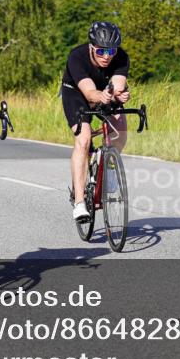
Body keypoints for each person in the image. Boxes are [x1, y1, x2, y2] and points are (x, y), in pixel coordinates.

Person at [60, 21, 131, 222]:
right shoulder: (77, 56)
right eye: (101, 51)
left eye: (111, 51)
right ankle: (80, 202)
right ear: (91, 47)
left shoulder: (121, 57)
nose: (107, 56)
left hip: (104, 92)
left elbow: (117, 85)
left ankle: (107, 169)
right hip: (77, 94)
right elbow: (90, 93)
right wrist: (100, 96)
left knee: (121, 131)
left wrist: (120, 95)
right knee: (83, 139)